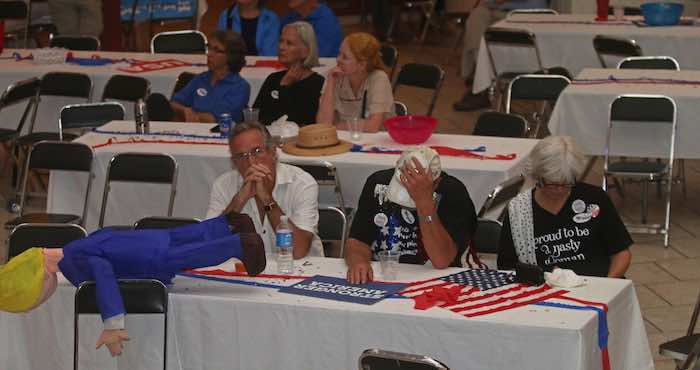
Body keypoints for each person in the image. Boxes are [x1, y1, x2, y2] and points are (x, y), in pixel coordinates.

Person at [0, 213, 265, 357]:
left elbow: (103, 276)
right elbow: (103, 236)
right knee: (186, 237)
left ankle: (240, 244)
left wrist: (112, 326)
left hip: (143, 258)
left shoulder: (73, 260)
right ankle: (228, 223)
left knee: (192, 254)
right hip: (141, 242)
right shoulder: (73, 248)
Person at [498, 136, 633, 278]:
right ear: (538, 176)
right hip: (544, 292)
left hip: (598, 285)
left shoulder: (594, 198)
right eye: (552, 184)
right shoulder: (519, 211)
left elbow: (621, 253)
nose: (559, 190)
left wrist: (606, 284)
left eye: (566, 183)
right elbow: (507, 266)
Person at [345, 147, 477, 284]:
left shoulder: (453, 192)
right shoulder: (378, 182)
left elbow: (442, 260)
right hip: (388, 274)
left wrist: (424, 204)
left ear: (436, 182)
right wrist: (358, 261)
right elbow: (357, 241)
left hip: (444, 277)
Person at [206, 121, 323, 257]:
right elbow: (210, 244)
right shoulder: (223, 185)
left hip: (301, 270)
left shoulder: (302, 183)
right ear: (234, 163)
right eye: (242, 156)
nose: (251, 163)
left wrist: (267, 199)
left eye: (257, 151)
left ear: (273, 152)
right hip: (247, 269)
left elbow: (298, 251)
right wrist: (238, 200)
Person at [453, 0, 549, 111]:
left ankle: (483, 86)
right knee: (476, 16)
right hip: (496, 10)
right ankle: (482, 83)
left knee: (486, 23)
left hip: (526, 13)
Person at [316, 32, 394, 133]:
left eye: (345, 57)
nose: (338, 59)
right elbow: (323, 124)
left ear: (362, 64)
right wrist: (331, 83)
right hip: (346, 139)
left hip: (377, 142)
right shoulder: (335, 76)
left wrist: (337, 125)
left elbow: (373, 126)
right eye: (339, 53)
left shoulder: (379, 79)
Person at [166, 30, 250, 123]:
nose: (209, 54)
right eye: (209, 48)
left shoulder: (240, 87)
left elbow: (218, 119)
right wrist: (184, 110)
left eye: (216, 50)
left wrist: (191, 115)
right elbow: (173, 103)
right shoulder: (201, 79)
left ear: (231, 56)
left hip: (221, 135)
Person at [253, 21, 324, 126]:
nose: (281, 47)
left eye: (289, 43)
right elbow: (257, 117)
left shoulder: (317, 83)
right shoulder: (273, 79)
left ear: (306, 50)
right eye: (281, 41)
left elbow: (297, 122)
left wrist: (284, 87)